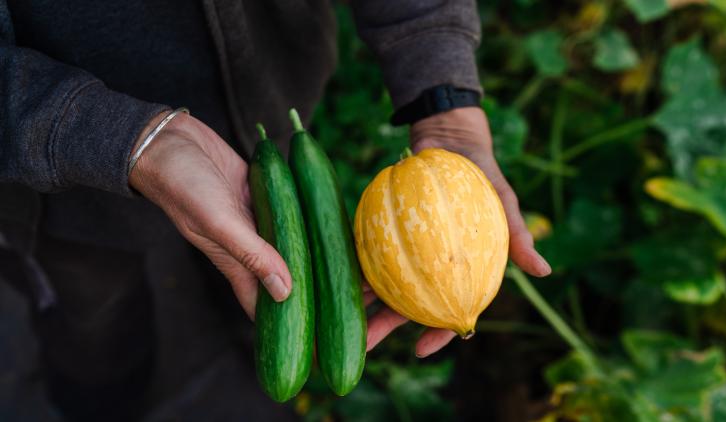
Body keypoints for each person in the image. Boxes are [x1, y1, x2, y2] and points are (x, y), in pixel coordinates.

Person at [0, 0, 551, 419]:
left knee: (250, 270)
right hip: (63, 185)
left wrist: (441, 95)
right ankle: (100, 397)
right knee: (92, 304)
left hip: (268, 93)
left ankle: (239, 336)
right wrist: (117, 138)